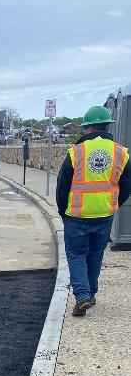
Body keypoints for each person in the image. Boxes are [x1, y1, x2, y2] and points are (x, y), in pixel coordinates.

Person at [56, 105, 130, 316]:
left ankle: (82, 296)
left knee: (77, 254)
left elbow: (62, 186)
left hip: (77, 214)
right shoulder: (121, 153)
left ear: (87, 129)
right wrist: (113, 204)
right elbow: (127, 185)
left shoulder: (76, 152)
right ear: (107, 127)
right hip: (105, 215)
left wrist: (64, 212)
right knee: (95, 254)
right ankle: (91, 292)